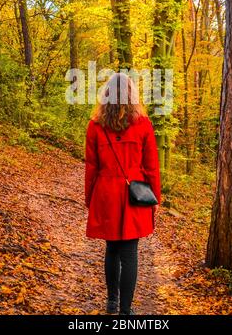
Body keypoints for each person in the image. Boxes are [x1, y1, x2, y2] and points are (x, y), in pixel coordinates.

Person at [84, 72, 161, 315]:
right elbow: (151, 166)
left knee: (112, 249)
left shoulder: (95, 126)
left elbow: (91, 167)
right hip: (134, 192)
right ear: (131, 94)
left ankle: (112, 302)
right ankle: (125, 311)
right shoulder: (143, 124)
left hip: (106, 193)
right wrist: (155, 197)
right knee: (129, 252)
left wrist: (90, 198)